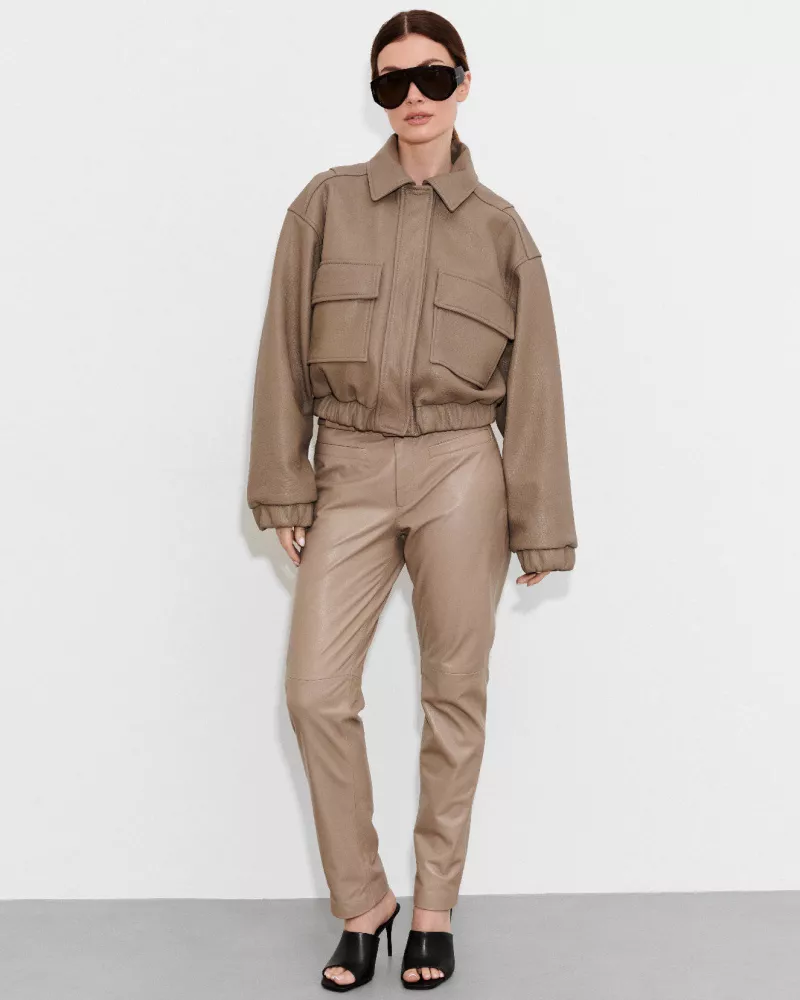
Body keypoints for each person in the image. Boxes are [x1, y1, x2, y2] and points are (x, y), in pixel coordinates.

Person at [246, 9, 577, 992]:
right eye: (392, 82)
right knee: (314, 692)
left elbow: (535, 387)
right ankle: (365, 904)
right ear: (375, 95)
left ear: (464, 83)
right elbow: (280, 351)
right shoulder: (324, 205)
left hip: (460, 469)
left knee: (453, 693)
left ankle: (433, 907)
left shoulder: (501, 229)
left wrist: (539, 524)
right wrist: (283, 482)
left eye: (432, 77)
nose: (414, 98)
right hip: (347, 465)